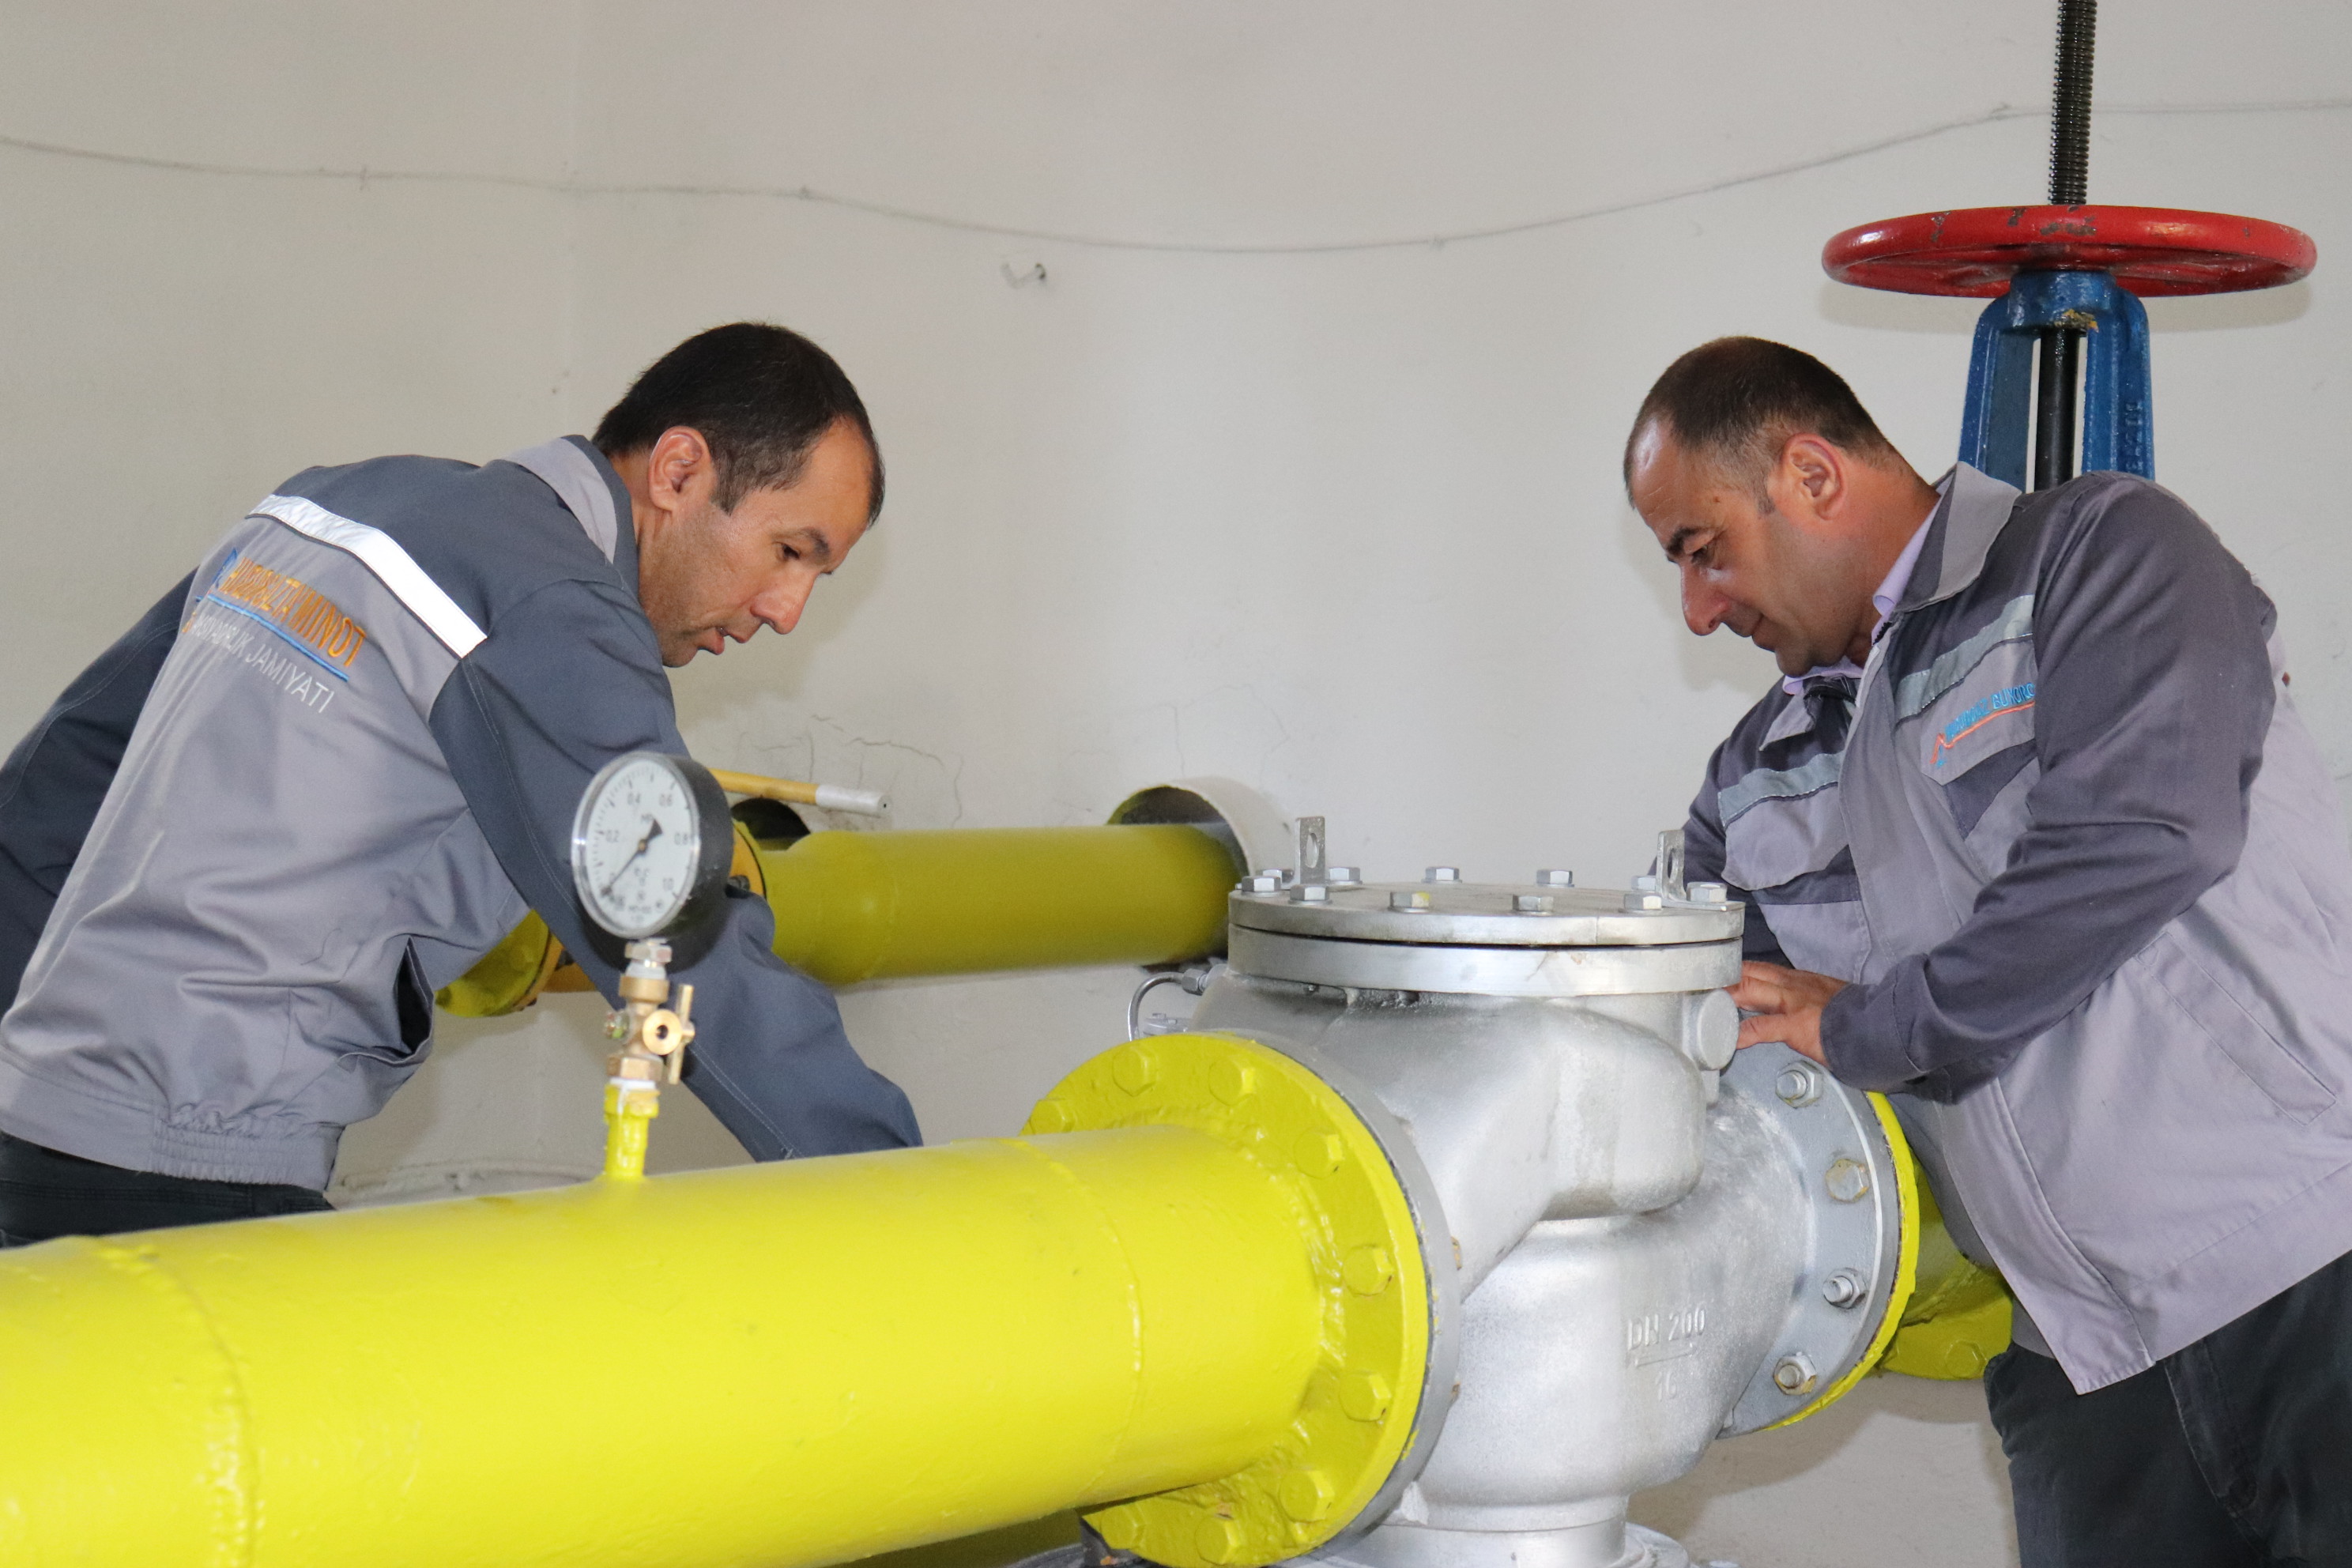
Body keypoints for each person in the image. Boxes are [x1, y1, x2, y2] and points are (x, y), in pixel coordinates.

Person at [1626, 337, 2352, 1563]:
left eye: (1704, 551)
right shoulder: (1753, 780)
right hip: (2084, 1356)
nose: (1699, 610)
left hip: (2305, 1270)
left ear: (1811, 475)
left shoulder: (2101, 557)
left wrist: (1865, 1024)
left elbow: (2145, 836)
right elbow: (1703, 1031)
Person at [0, 321, 921, 1242]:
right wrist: (904, 1197)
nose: (787, 611)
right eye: (791, 551)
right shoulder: (545, 600)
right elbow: (674, 921)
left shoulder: (329, 506)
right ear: (679, 472)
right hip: (192, 1163)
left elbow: (62, 779)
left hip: (37, 1125)